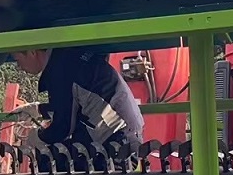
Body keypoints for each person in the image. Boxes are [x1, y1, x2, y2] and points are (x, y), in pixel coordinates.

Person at [10, 47, 146, 147]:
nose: (19, 67)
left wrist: (37, 137)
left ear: (32, 52)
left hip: (116, 141)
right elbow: (73, 103)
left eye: (18, 60)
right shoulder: (65, 60)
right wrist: (38, 110)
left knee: (51, 159)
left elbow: (63, 128)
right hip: (126, 133)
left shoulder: (60, 70)